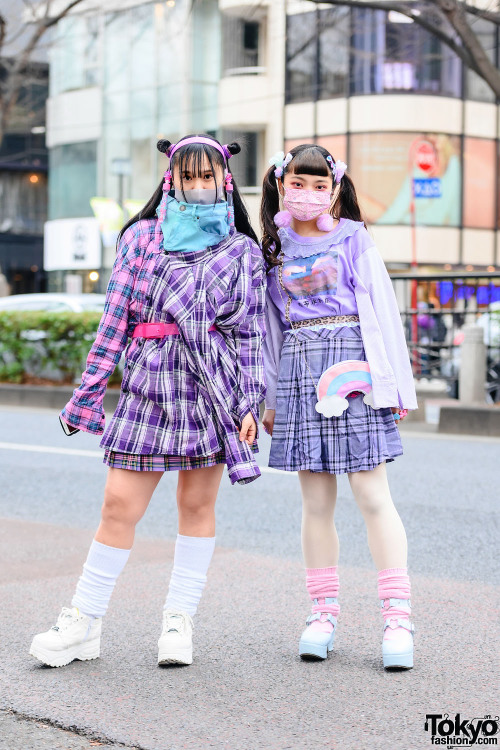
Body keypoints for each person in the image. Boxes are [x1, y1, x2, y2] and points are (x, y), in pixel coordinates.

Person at [29, 134, 266, 669]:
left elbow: (250, 334)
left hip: (212, 385)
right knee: (118, 505)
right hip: (148, 383)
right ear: (170, 179)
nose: (198, 186)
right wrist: (87, 395)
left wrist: (249, 403)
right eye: (188, 176)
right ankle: (84, 622)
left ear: (224, 181)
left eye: (208, 176)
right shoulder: (140, 237)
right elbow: (114, 320)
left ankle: (178, 621)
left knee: (197, 506)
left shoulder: (242, 250)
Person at [260, 145, 418, 670]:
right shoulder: (272, 248)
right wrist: (269, 397)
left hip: (355, 369)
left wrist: (395, 386)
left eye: (319, 185)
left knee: (373, 495)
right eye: (298, 184)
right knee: (315, 501)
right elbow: (268, 330)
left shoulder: (353, 238)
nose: (308, 194)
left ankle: (398, 619)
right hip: (301, 371)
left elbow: (383, 312)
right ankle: (322, 614)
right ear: (281, 187)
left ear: (335, 188)